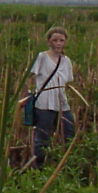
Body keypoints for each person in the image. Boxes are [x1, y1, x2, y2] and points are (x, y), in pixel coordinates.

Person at [29, 26, 74, 167]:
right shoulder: (42, 57)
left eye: (61, 40)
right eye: (55, 40)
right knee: (43, 136)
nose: (58, 43)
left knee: (69, 131)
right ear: (49, 42)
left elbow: (68, 80)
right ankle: (38, 167)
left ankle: (66, 163)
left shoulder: (66, 60)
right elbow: (31, 76)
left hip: (61, 101)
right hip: (44, 102)